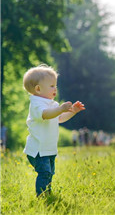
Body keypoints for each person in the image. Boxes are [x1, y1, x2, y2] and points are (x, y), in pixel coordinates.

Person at [23, 64, 85, 196]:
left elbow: (59, 118)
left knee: (50, 173)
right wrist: (60, 109)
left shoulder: (53, 104)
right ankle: (42, 196)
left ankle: (47, 192)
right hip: (38, 150)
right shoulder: (36, 104)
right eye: (51, 86)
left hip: (49, 148)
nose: (55, 88)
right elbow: (45, 114)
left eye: (55, 85)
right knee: (44, 172)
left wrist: (72, 111)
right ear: (38, 89)